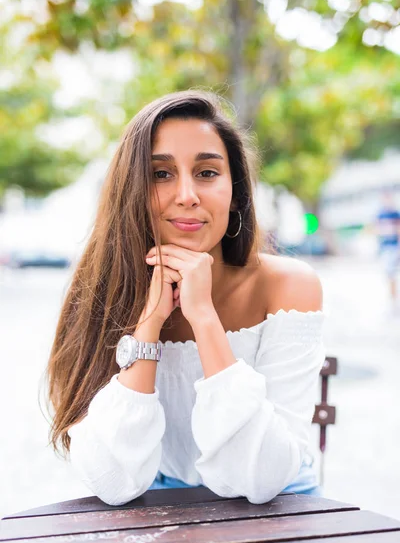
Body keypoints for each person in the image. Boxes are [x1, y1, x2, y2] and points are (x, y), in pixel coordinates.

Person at [47, 90, 326, 506]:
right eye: (161, 174)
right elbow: (113, 482)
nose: (186, 194)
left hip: (283, 504)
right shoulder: (105, 290)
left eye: (207, 173)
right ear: (132, 191)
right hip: (159, 507)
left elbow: (264, 478)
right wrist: (149, 326)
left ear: (235, 191)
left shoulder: (288, 286)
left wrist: (205, 319)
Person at [376, 189, 400, 312]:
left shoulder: (395, 213)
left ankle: (394, 297)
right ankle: (392, 298)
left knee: (392, 273)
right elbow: (378, 230)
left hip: (394, 247)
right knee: (389, 274)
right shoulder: (380, 214)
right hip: (386, 247)